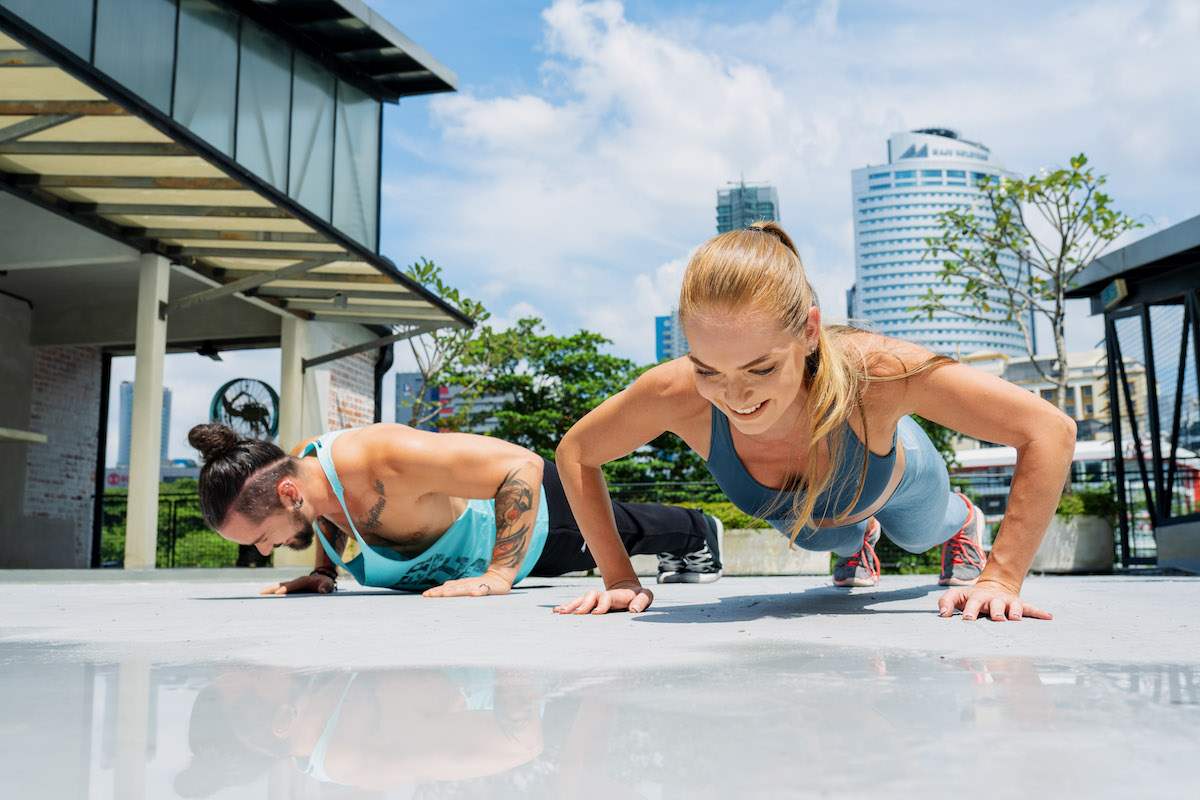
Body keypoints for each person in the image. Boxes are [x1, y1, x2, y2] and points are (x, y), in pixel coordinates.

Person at [552, 221, 1073, 621]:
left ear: (808, 331)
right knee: (825, 538)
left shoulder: (877, 370)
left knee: (917, 536)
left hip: (898, 479)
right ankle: (857, 541)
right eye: (709, 370)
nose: (736, 397)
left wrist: (1001, 578)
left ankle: (962, 519)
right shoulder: (674, 393)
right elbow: (577, 453)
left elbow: (1049, 430)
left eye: (762, 368)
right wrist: (619, 577)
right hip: (814, 516)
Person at [187, 422, 722, 596]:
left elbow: (521, 467)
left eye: (260, 537)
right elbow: (332, 520)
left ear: (287, 497)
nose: (262, 551)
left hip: (530, 525)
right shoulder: (302, 477)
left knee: (623, 529)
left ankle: (700, 531)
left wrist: (498, 575)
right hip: (467, 556)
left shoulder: (383, 459)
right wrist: (322, 573)